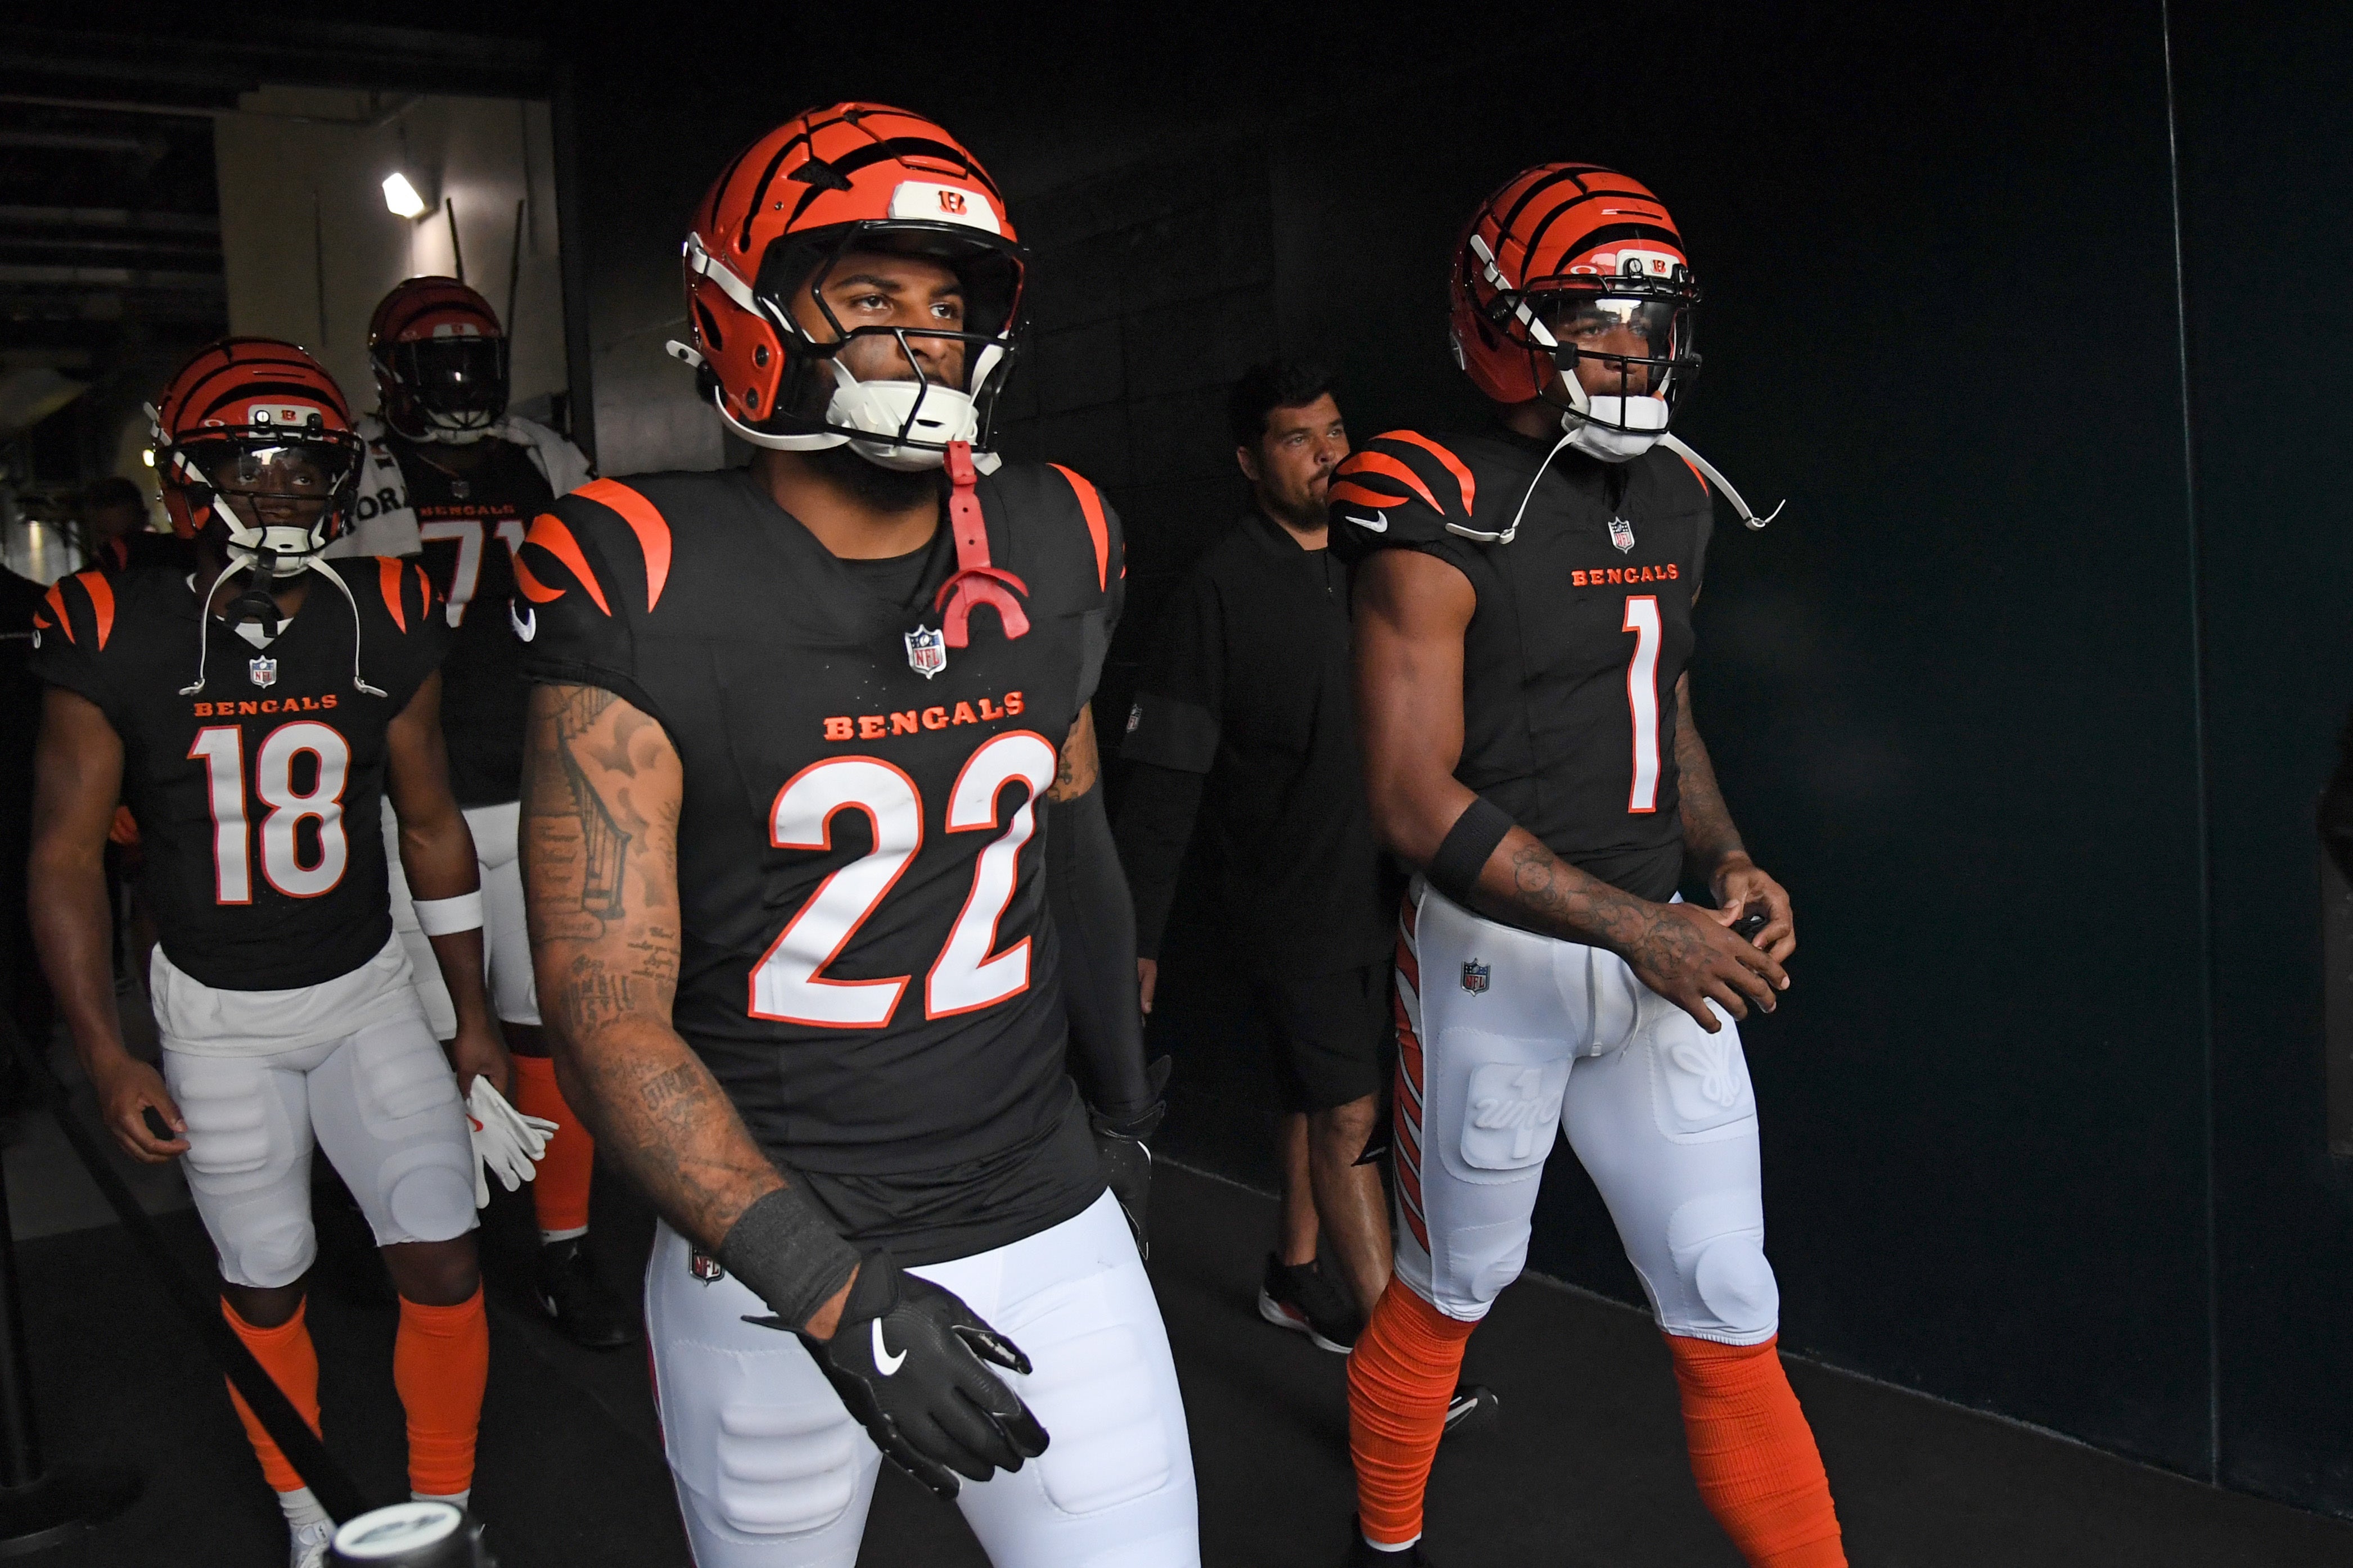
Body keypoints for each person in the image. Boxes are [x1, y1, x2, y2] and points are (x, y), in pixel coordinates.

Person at [515, 103, 1197, 1566]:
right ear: (747, 309)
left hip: (1038, 1205)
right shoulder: (642, 568)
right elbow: (603, 1008)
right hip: (774, 1246)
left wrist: (1129, 1115)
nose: (922, 339)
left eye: (948, 308)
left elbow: (1071, 849)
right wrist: (829, 1285)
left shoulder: (1059, 532)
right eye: (870, 297)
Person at [1330, 165, 1843, 1565]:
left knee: (1728, 1292)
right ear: (1503, 321)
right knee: (1451, 1287)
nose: (1630, 348)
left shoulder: (1671, 489)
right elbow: (1404, 793)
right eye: (1591, 315)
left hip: (1652, 937)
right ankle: (1384, 1543)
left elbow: (1658, 698)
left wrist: (1723, 857)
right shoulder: (1427, 495)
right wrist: (1638, 925)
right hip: (1500, 960)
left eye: (1647, 319)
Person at [25, 338, 535, 1568]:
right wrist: (105, 1050)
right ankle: (312, 1521)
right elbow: (63, 855)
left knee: (442, 1248)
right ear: (189, 481)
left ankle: (446, 1513)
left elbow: (427, 822)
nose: (285, 491)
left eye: (307, 466)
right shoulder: (111, 621)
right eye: (252, 466)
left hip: (362, 992)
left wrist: (468, 1017)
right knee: (264, 1278)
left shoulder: (386, 608)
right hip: (213, 1015)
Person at [325, 276, 624, 1347]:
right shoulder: (354, 467)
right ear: (389, 377)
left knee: (547, 1022)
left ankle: (562, 1246)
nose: (457, 386)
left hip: (540, 779)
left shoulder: (545, 458)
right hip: (419, 797)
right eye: (433, 366)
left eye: (470, 363)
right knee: (427, 1032)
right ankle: (419, 1224)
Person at [1116, 361, 1394, 1352]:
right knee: (1349, 1108)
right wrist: (1136, 936)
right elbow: (1162, 782)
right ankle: (1396, 1350)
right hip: (1290, 899)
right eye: (1295, 438)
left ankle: (1292, 1271)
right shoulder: (1216, 592)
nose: (1327, 454)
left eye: (1334, 430)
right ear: (1248, 460)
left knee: (1313, 1089)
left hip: (1383, 888)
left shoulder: (1378, 560)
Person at [81, 473, 191, 577]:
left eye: (127, 537)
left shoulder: (180, 564)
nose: (117, 547)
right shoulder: (82, 587)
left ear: (144, 519)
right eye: (105, 535)